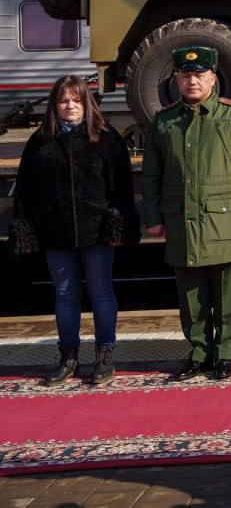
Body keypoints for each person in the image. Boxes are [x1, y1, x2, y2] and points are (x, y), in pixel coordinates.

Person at [141, 46, 231, 381]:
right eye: (185, 75)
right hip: (181, 218)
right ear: (178, 80)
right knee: (191, 294)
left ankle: (225, 355)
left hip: (224, 217)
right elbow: (151, 173)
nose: (192, 81)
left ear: (213, 78)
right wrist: (153, 217)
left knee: (227, 292)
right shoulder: (165, 121)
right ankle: (199, 353)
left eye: (198, 75)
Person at [13, 76, 138, 385]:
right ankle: (68, 356)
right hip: (56, 231)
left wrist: (117, 222)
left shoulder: (107, 139)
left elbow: (121, 188)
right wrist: (27, 225)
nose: (70, 106)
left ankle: (104, 356)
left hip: (96, 231)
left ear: (87, 103)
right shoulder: (40, 142)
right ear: (55, 105)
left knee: (101, 293)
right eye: (63, 100)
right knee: (65, 295)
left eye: (76, 100)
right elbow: (26, 189)